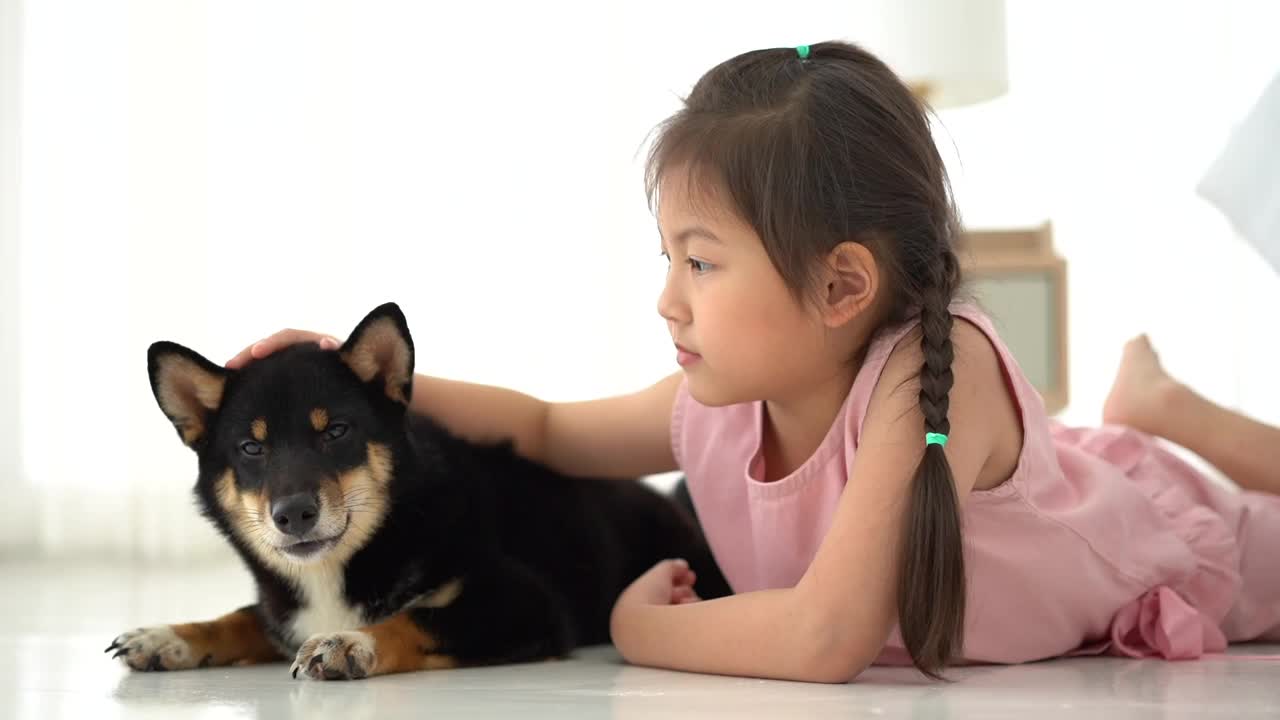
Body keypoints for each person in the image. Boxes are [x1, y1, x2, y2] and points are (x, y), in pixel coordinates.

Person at [225, 41, 1280, 683]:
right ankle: (1145, 414)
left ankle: (1170, 417)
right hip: (1079, 477)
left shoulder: (927, 376)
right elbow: (542, 427)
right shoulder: (719, 403)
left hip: (1146, 538)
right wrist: (350, 380)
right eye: (666, 258)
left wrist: (643, 632)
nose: (666, 297)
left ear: (839, 288)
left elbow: (825, 636)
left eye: (699, 262)